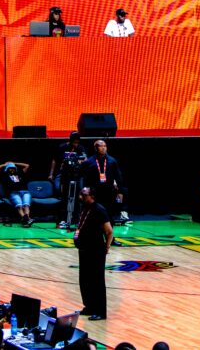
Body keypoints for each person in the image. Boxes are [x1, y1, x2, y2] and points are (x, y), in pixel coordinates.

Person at [75, 186, 112, 321]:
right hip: (84, 249)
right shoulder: (84, 208)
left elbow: (109, 231)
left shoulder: (99, 210)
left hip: (96, 250)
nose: (81, 197)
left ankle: (101, 312)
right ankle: (89, 307)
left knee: (97, 281)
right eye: (81, 194)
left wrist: (107, 247)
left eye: (84, 195)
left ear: (92, 196)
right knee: (84, 280)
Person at [83, 140, 128, 227]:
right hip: (95, 193)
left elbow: (118, 177)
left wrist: (120, 191)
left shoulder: (112, 161)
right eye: (101, 146)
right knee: (95, 215)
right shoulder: (89, 162)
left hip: (109, 192)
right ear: (96, 148)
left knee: (109, 215)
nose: (103, 148)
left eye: (105, 146)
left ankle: (110, 235)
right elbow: (85, 178)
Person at [50, 132, 87, 229]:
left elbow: (85, 159)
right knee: (63, 195)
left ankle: (77, 219)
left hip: (77, 175)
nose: (76, 144)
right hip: (63, 175)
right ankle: (62, 219)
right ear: (70, 140)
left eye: (77, 142)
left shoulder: (81, 148)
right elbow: (54, 160)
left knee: (78, 196)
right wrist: (51, 174)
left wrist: (80, 161)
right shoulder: (62, 147)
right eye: (74, 142)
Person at [0, 162, 33, 227]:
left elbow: (27, 165)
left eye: (13, 168)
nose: (12, 169)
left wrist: (14, 163)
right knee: (19, 205)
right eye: (10, 168)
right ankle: (27, 219)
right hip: (14, 192)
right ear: (7, 169)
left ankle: (25, 220)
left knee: (26, 205)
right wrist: (4, 164)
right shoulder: (4, 175)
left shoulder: (19, 173)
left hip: (25, 191)